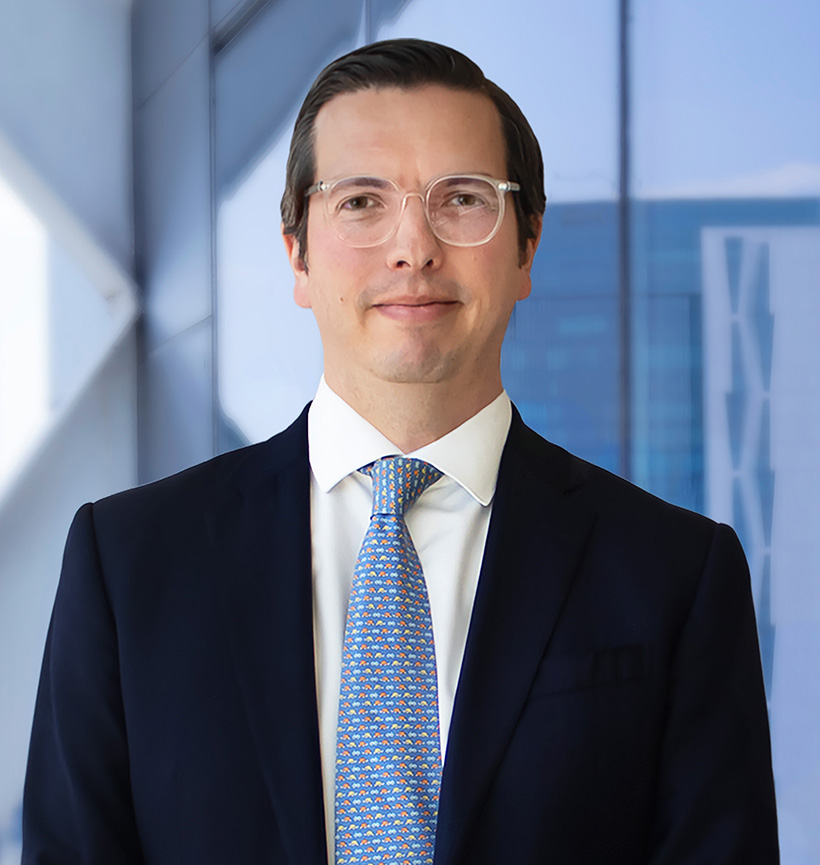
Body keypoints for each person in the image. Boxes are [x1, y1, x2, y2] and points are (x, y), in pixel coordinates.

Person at [23, 38, 778, 865]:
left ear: (526, 244)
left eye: (462, 199)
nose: (413, 247)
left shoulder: (674, 574)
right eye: (361, 202)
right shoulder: (128, 566)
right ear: (296, 253)